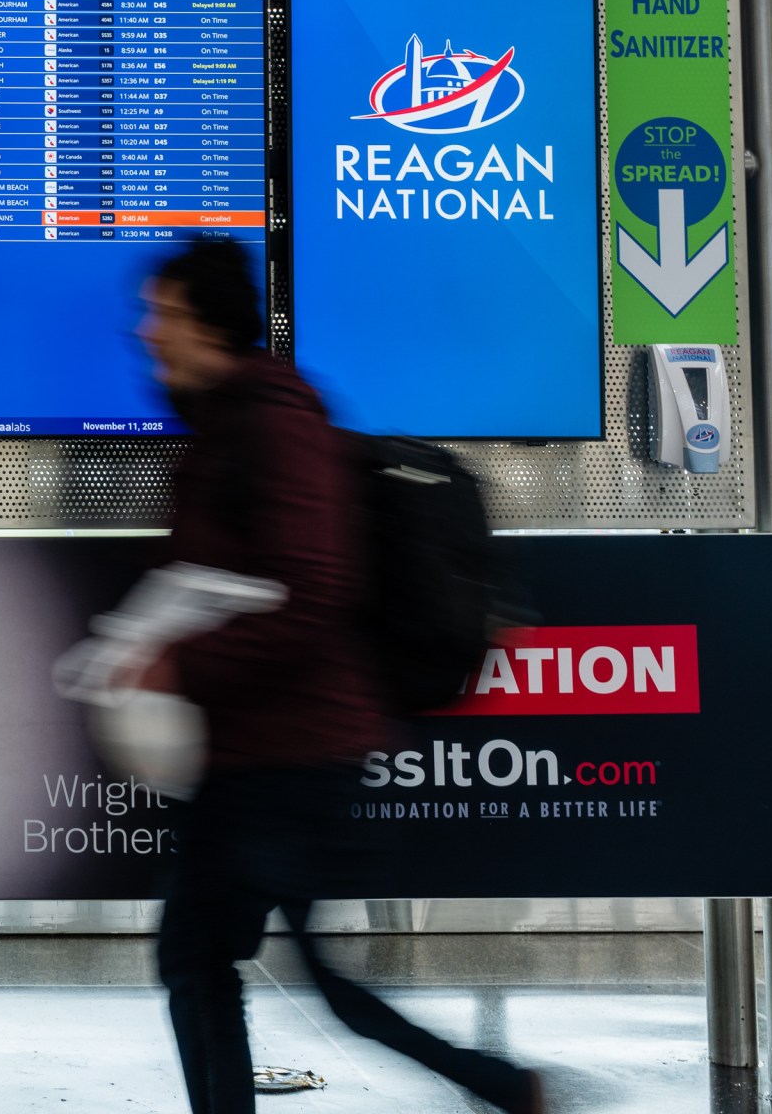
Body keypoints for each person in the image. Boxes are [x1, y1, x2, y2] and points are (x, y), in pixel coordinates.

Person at [127, 238, 545, 1114]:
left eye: (162, 313)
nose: (147, 331)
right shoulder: (233, 425)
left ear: (207, 323)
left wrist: (182, 664)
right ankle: (498, 1084)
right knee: (264, 966)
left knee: (200, 956)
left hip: (286, 754)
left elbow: (313, 588)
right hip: (267, 749)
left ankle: (500, 1083)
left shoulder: (273, 421)